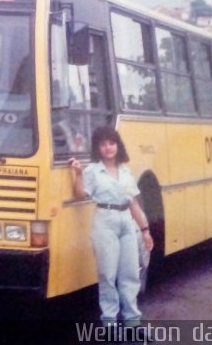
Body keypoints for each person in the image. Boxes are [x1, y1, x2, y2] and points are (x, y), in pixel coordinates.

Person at [68, 125, 154, 336]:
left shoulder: (126, 171)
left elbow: (133, 204)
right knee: (108, 274)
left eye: (112, 143)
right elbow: (80, 194)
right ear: (98, 148)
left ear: (118, 145)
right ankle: (110, 325)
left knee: (130, 274)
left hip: (126, 221)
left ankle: (133, 324)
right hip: (105, 221)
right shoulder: (92, 171)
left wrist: (145, 230)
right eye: (103, 144)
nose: (108, 148)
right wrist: (77, 174)